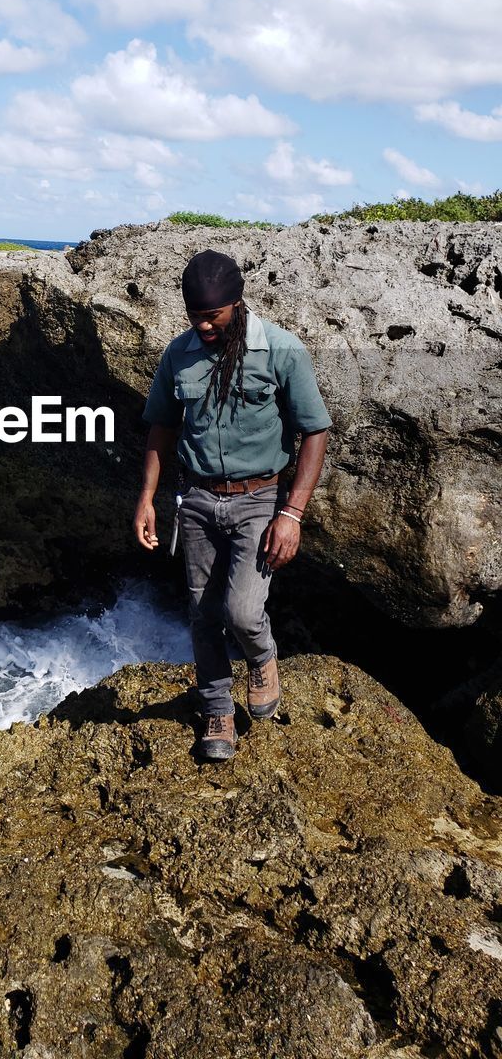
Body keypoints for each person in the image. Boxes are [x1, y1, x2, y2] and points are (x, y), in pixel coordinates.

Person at [134, 249, 332, 760]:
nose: (203, 324)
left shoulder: (283, 351)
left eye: (213, 315)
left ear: (237, 304)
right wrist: (147, 499)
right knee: (203, 614)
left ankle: (263, 658)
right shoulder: (179, 354)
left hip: (259, 499)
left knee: (242, 612)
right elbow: (161, 426)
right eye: (194, 314)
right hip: (197, 500)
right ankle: (217, 709)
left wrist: (292, 514)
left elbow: (315, 430)